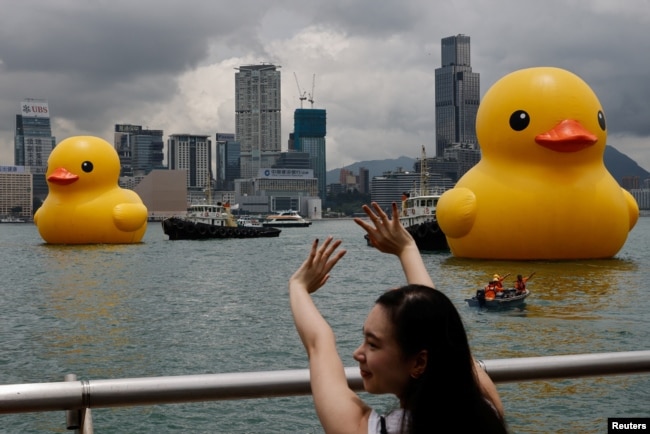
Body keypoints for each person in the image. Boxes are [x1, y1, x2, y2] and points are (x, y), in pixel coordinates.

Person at [289, 202, 507, 434]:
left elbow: (318, 343)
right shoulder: (487, 409)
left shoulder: (376, 430)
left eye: (372, 344)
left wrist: (297, 285)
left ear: (419, 362)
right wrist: (407, 249)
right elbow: (440, 326)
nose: (357, 353)